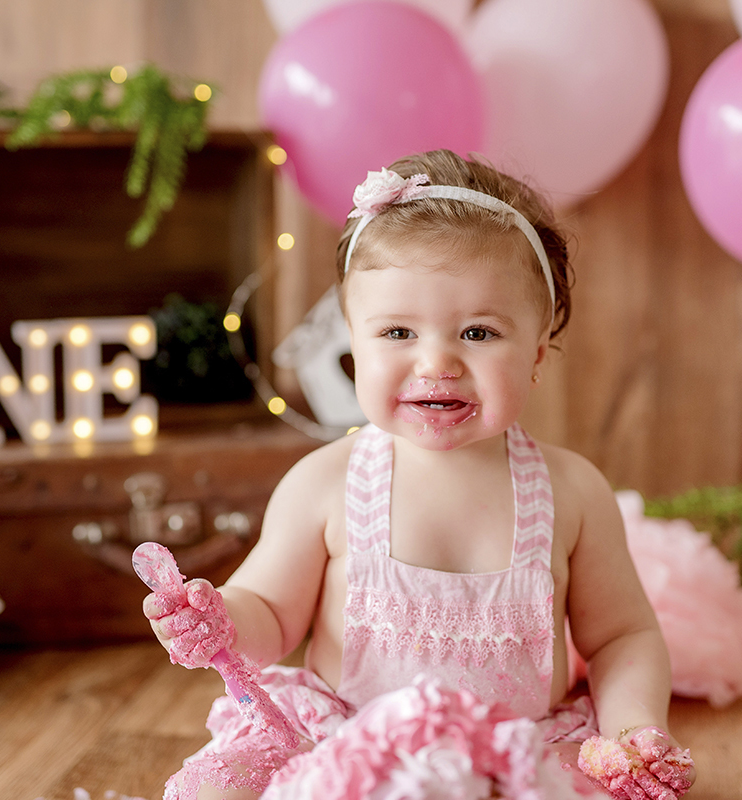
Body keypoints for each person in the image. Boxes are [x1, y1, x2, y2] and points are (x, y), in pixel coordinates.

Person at [143, 150, 692, 800]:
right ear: (355, 341)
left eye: (480, 333)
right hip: (341, 744)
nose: (437, 362)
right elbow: (271, 610)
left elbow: (623, 635)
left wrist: (633, 731)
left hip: (513, 752)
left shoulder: (571, 492)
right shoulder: (325, 483)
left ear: (538, 353)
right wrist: (224, 620)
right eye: (398, 331)